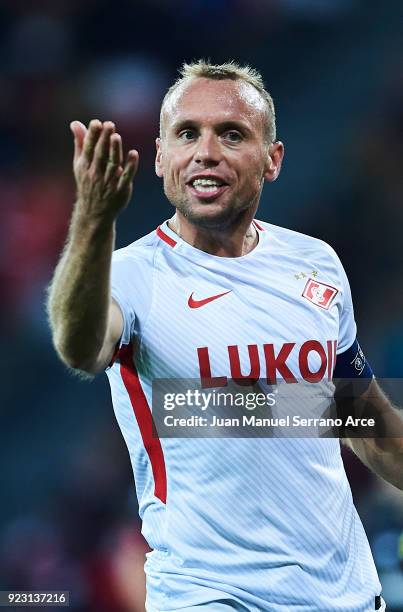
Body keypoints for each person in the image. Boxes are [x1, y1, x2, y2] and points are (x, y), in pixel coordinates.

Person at [47, 60, 403, 611]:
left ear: (273, 160)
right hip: (209, 597)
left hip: (349, 595)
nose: (206, 151)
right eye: (187, 133)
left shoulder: (317, 265)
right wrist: (93, 222)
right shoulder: (128, 276)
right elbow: (79, 346)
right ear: (162, 157)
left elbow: (364, 423)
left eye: (231, 134)